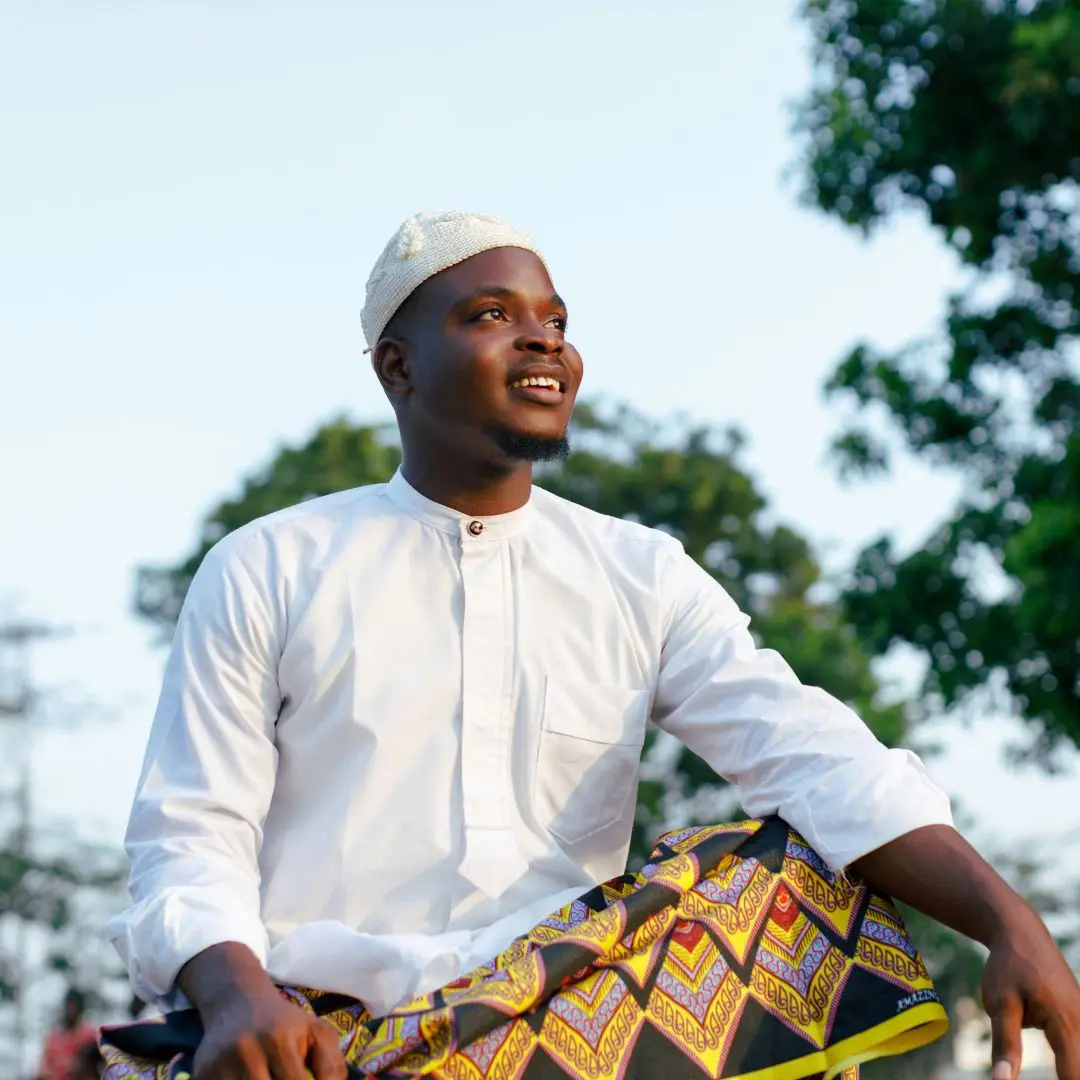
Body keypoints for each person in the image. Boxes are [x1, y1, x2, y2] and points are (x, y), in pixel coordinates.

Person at [100, 211, 1080, 1080]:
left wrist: (1005, 918)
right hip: (316, 1039)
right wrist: (234, 997)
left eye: (556, 321)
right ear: (397, 367)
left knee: (781, 860)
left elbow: (813, 756)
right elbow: (191, 835)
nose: (541, 338)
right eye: (489, 314)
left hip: (571, 1032)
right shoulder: (268, 565)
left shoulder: (639, 572)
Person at [39, 988, 97, 1080]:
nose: (71, 1009)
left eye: (74, 1005)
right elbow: (44, 1067)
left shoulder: (89, 1034)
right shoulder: (54, 1036)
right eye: (69, 1004)